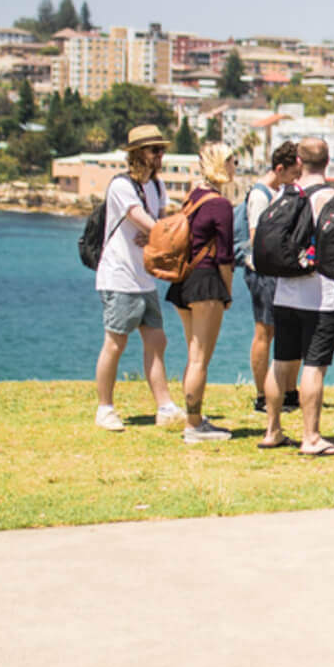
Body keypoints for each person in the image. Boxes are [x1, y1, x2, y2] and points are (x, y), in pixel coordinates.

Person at [92, 124, 184, 432]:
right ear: (137, 154)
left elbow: (158, 225)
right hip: (119, 277)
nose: (161, 155)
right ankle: (105, 408)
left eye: (162, 150)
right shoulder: (121, 187)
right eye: (155, 150)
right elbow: (148, 223)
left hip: (144, 278)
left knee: (157, 341)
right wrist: (158, 232)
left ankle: (165, 405)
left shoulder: (156, 187)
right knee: (115, 342)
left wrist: (156, 233)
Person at [261, 138, 334, 456]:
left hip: (285, 292)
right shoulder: (328, 197)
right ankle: (310, 437)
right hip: (319, 295)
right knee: (313, 366)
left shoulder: (286, 193)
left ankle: (273, 430)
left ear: (298, 160)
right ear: (328, 161)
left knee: (281, 363)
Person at [164, 142, 238, 444]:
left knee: (192, 353)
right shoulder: (220, 205)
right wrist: (228, 291)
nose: (235, 166)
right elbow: (224, 256)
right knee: (200, 359)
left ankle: (193, 415)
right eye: (232, 161)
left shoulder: (193, 197)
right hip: (207, 282)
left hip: (184, 281)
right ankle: (194, 426)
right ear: (221, 164)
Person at [243, 142, 301, 414]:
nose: (295, 180)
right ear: (280, 169)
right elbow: (258, 239)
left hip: (280, 272)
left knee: (287, 330)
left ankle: (288, 390)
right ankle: (261, 393)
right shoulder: (260, 195)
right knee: (264, 331)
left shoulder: (280, 192)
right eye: (292, 173)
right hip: (263, 272)